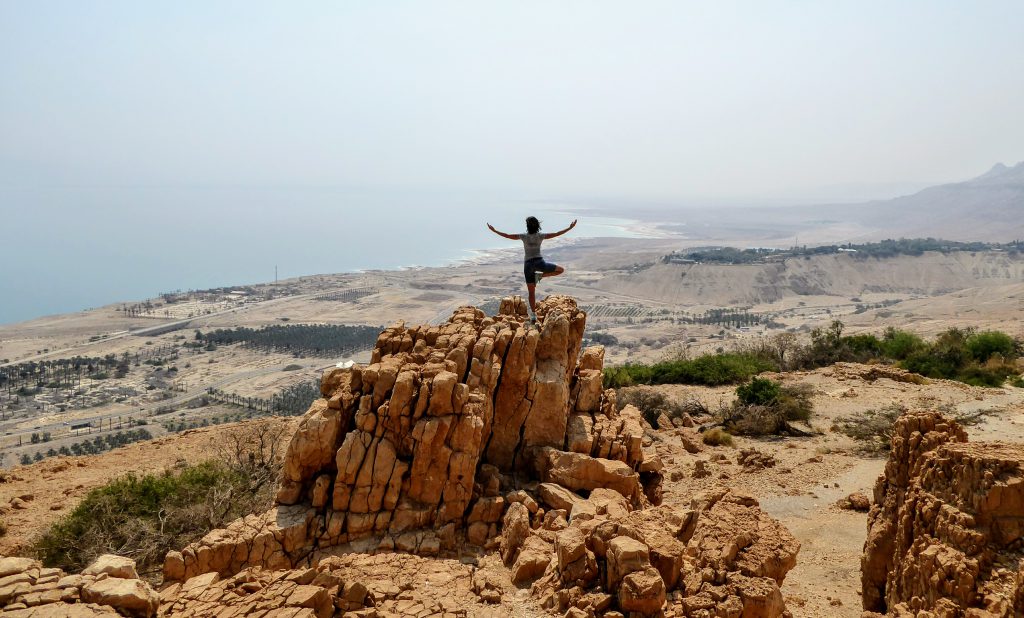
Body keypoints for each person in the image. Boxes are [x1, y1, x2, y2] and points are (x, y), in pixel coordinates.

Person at [487, 216, 576, 323]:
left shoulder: (523, 236)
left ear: (527, 226)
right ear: (537, 225)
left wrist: (494, 231)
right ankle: (539, 276)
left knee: (531, 292)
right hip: (540, 263)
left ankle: (533, 315)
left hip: (528, 265)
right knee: (560, 270)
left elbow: (507, 236)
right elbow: (557, 233)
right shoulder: (540, 236)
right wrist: (569, 228)